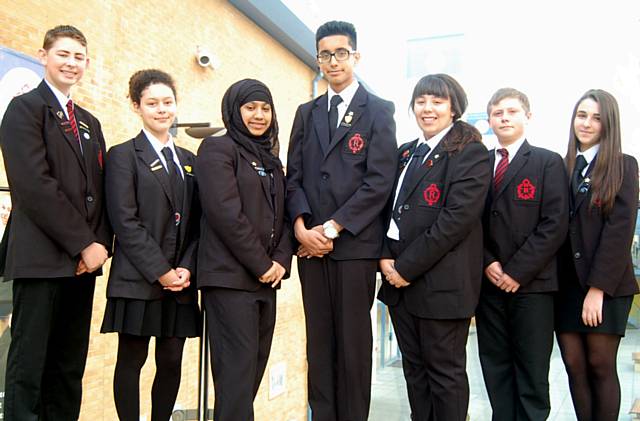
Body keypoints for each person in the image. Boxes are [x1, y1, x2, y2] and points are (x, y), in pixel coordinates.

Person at [286, 20, 397, 420]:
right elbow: (293, 176)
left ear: (356, 56)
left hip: (353, 246)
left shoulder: (380, 111)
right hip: (309, 248)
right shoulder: (306, 112)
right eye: (325, 54)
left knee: (351, 344)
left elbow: (380, 182)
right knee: (319, 341)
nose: (333, 61)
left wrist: (332, 227)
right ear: (317, 59)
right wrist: (300, 225)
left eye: (341, 53)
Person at [0, 25, 111, 420]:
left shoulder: (89, 123)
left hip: (82, 266)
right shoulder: (24, 109)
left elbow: (99, 191)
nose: (71, 63)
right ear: (43, 56)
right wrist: (85, 242)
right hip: (41, 257)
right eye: (63, 54)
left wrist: (99, 247)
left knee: (68, 367)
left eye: (79, 56)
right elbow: (34, 186)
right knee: (29, 366)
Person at [378, 73, 491, 421]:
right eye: (421, 101)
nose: (428, 108)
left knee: (445, 376)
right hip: (400, 285)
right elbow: (388, 210)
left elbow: (455, 221)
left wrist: (404, 269)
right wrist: (384, 255)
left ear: (454, 108)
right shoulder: (407, 152)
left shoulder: (471, 153)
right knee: (414, 372)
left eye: (437, 101)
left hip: (442, 286)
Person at [100, 69, 200, 421]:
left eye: (168, 102)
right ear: (136, 106)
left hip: (182, 280)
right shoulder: (123, 156)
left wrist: (186, 267)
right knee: (132, 359)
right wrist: (161, 272)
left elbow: (198, 224)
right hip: (139, 278)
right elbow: (125, 222)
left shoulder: (191, 160)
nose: (162, 110)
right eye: (152, 103)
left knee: (172, 360)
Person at [196, 79, 293, 421]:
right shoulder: (216, 149)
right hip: (229, 281)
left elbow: (284, 215)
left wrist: (281, 260)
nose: (259, 115)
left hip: (266, 282)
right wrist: (261, 263)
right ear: (234, 111)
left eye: (265, 108)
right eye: (250, 107)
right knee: (236, 376)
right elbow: (226, 214)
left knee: (250, 374)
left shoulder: (270, 158)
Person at [476, 88, 568, 420]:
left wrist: (516, 271)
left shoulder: (547, 162)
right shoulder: (479, 164)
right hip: (489, 285)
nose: (504, 117)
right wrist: (488, 262)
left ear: (527, 117)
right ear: (489, 121)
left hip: (533, 287)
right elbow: (469, 223)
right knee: (496, 370)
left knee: (531, 373)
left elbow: (555, 224)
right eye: (498, 112)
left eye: (512, 111)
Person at [555, 89, 639, 421]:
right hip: (566, 286)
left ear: (609, 124)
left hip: (604, 285)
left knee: (599, 364)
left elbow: (619, 232)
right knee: (574, 366)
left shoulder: (622, 165)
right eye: (581, 115)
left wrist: (597, 289)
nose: (587, 124)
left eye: (596, 118)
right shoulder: (561, 167)